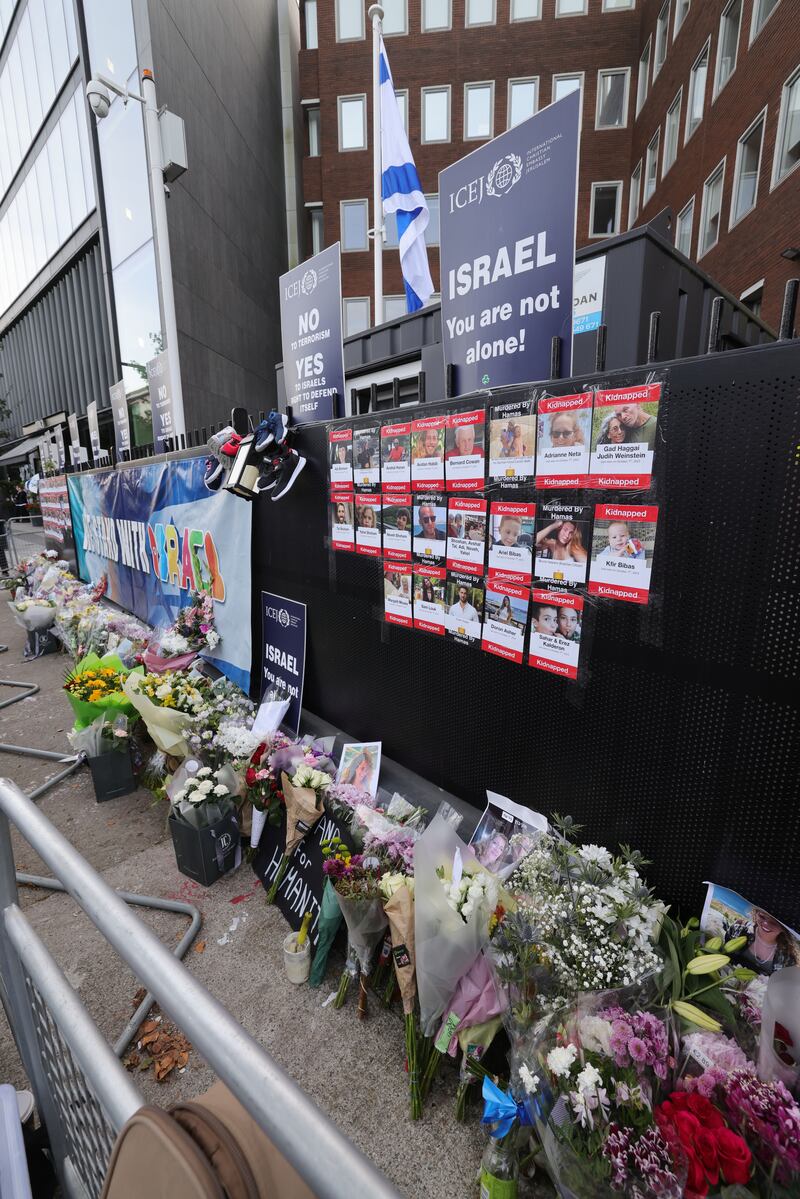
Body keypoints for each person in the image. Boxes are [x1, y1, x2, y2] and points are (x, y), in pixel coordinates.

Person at [735, 908, 800, 975]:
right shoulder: (739, 932)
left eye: (775, 922)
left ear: (784, 928)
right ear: (756, 913)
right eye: (762, 916)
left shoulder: (788, 959)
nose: (766, 924)